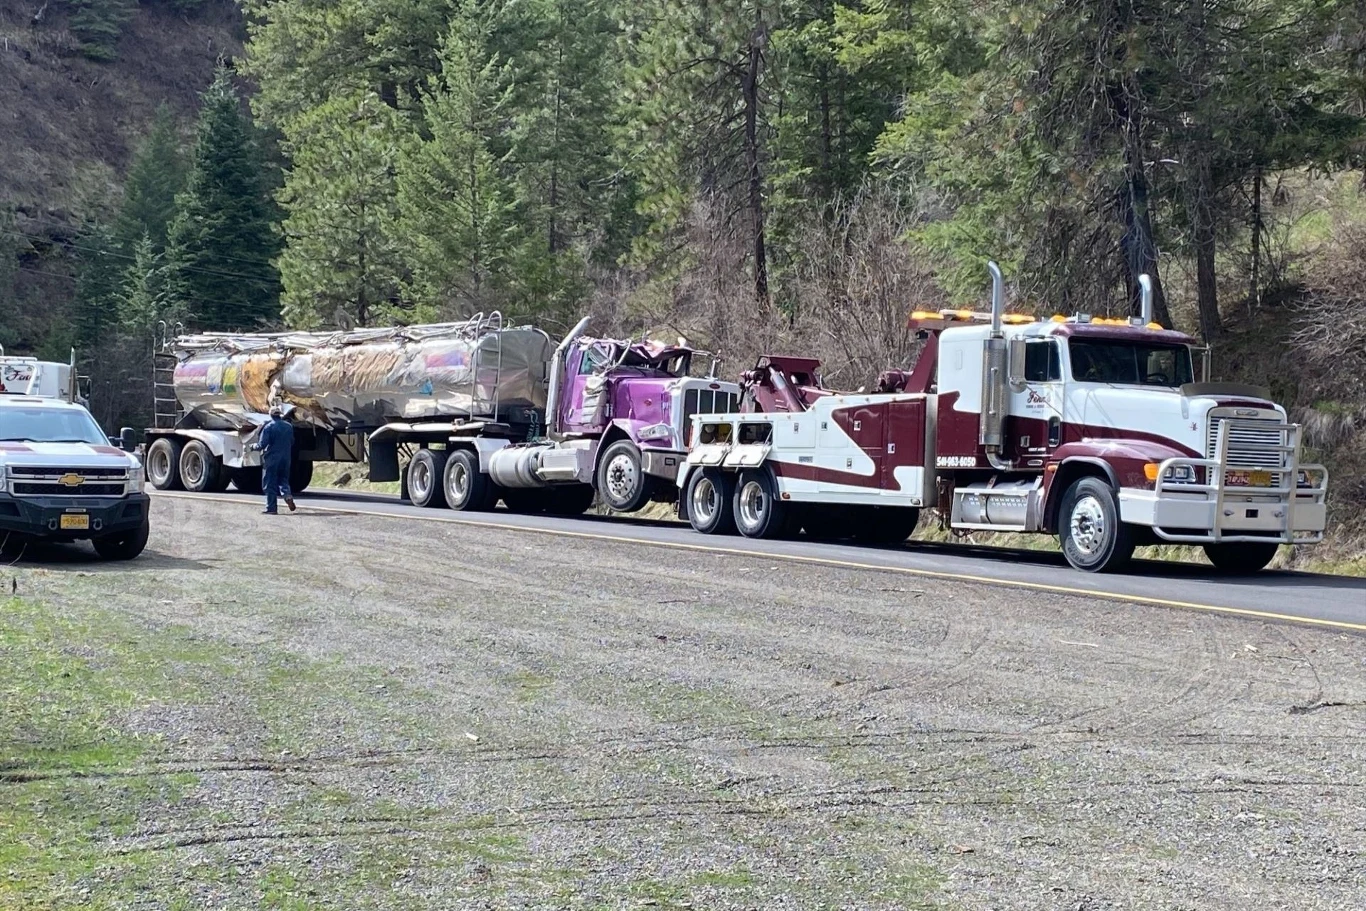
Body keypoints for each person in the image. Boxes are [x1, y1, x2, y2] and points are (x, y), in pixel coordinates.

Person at [252, 405, 296, 514]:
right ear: (280, 414)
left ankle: (271, 508)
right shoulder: (289, 426)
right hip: (286, 458)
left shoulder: (268, 427)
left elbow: (262, 445)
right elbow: (292, 441)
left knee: (269, 483)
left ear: (270, 415)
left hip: (271, 459)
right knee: (283, 480)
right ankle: (287, 495)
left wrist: (253, 447)